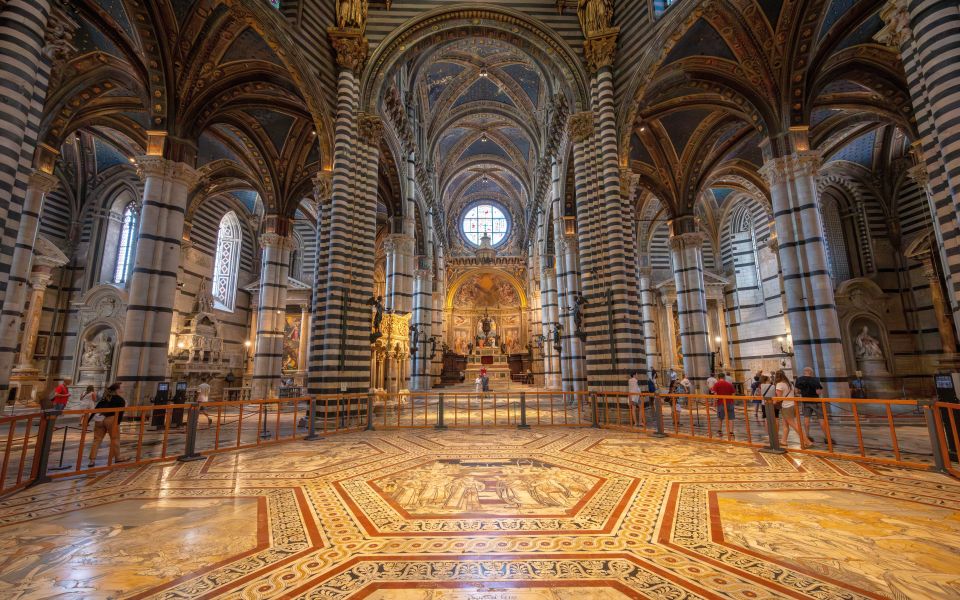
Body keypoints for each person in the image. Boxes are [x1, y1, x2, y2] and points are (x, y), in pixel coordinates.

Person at [88, 382, 128, 467]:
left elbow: (97, 407)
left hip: (99, 419)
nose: (123, 388)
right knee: (115, 438)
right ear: (117, 389)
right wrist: (117, 423)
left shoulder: (105, 397)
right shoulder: (120, 400)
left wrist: (88, 420)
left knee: (97, 440)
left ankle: (92, 460)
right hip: (111, 419)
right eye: (122, 387)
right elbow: (120, 413)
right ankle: (118, 457)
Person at [795, 366, 833, 444]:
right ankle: (827, 437)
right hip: (816, 401)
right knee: (821, 419)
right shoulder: (815, 380)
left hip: (805, 401)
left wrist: (802, 393)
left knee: (806, 419)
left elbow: (796, 391)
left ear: (804, 372)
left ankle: (807, 436)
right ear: (811, 372)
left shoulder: (799, 379)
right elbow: (818, 392)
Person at [775, 370, 812, 446]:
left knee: (795, 426)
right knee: (785, 425)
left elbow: (779, 399)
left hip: (786, 406)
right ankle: (783, 441)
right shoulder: (789, 383)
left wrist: (773, 400)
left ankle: (807, 441)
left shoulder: (779, 384)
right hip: (792, 405)